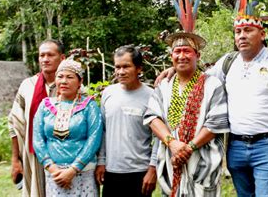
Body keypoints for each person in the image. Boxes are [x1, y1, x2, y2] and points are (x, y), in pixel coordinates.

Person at [156, 0, 268, 196]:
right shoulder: (228, 62)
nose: (242, 36)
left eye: (248, 30)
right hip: (236, 146)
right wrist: (175, 68)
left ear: (262, 34)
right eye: (238, 31)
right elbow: (199, 77)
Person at [144, 0, 230, 196]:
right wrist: (172, 144)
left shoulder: (212, 85)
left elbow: (215, 123)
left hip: (202, 164)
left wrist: (188, 148)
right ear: (171, 56)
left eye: (187, 51)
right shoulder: (164, 86)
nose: (181, 56)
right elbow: (153, 117)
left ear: (197, 56)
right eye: (177, 51)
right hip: (171, 162)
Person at [33, 59, 103, 196]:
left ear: (80, 81)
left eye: (70, 77)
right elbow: (37, 138)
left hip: (83, 173)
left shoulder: (89, 106)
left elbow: (94, 139)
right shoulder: (45, 105)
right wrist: (52, 168)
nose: (64, 81)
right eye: (60, 76)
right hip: (54, 174)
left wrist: (73, 170)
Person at [95, 45, 157, 196]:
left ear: (139, 69)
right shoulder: (108, 93)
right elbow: (102, 130)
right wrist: (101, 161)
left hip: (140, 172)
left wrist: (153, 168)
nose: (120, 72)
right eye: (117, 67)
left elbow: (159, 137)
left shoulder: (152, 96)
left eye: (126, 66)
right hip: (111, 171)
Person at [8, 39, 65, 196]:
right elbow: (14, 124)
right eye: (42, 55)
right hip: (34, 158)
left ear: (62, 58)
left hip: (65, 158)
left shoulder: (73, 86)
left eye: (50, 55)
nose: (45, 59)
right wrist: (15, 160)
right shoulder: (28, 86)